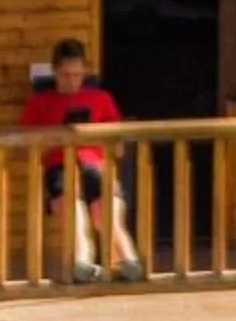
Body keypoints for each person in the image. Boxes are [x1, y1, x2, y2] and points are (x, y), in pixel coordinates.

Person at [16, 37, 146, 283]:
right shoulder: (39, 103)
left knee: (103, 207)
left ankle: (128, 259)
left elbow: (118, 148)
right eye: (66, 75)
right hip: (59, 163)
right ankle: (83, 260)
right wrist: (60, 136)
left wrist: (96, 135)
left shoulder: (101, 99)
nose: (73, 81)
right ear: (55, 72)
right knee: (72, 201)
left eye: (78, 75)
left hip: (94, 162)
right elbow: (26, 148)